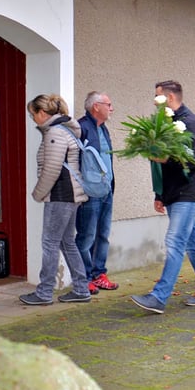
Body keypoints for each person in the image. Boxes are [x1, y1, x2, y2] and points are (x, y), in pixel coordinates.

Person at [131, 80, 195, 314]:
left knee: (174, 242)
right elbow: (164, 164)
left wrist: (166, 159)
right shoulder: (167, 124)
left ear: (169, 98)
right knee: (192, 242)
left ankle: (159, 297)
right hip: (173, 193)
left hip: (188, 193)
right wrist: (160, 193)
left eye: (157, 97)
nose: (154, 101)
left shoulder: (191, 123)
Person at [20, 94, 91, 306]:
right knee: (67, 242)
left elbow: (51, 170)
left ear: (42, 113)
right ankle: (81, 288)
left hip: (61, 196)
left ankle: (44, 292)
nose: (32, 119)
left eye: (32, 114)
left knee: (50, 243)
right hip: (70, 196)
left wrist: (37, 193)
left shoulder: (54, 133)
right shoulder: (64, 130)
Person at [75, 91, 118, 295]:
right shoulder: (81, 127)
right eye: (108, 104)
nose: (111, 108)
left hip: (106, 191)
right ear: (96, 107)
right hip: (90, 193)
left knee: (103, 235)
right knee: (86, 237)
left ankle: (99, 274)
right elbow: (74, 162)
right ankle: (84, 278)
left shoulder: (104, 129)